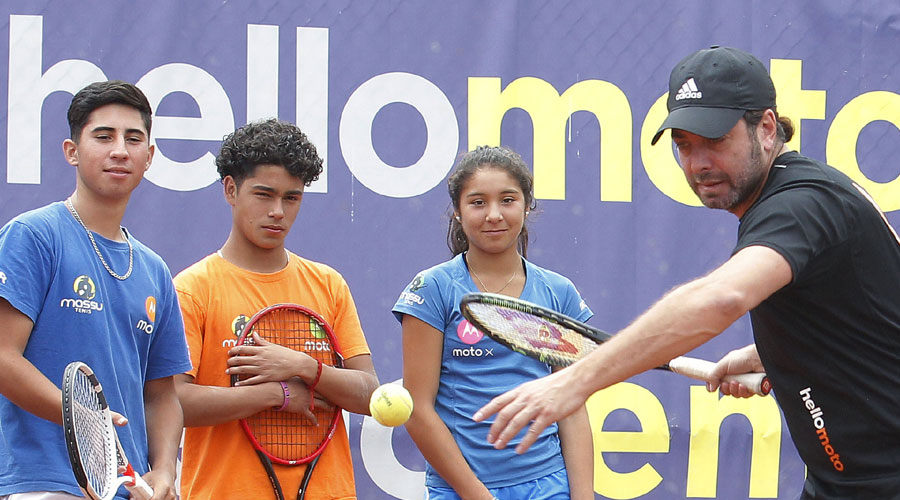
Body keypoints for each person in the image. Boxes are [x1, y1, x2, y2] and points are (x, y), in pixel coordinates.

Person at [474, 46, 900, 499]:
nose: (698, 163)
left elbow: (721, 298)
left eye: (715, 141)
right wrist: (778, 353)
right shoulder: (801, 195)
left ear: (766, 128)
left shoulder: (799, 205)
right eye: (684, 145)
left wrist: (573, 383)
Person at [0, 81, 191, 499]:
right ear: (72, 151)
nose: (120, 150)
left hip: (128, 489)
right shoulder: (32, 236)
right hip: (45, 484)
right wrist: (84, 422)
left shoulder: (155, 270)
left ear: (149, 157)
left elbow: (162, 395)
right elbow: (2, 357)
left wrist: (164, 470)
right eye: (104, 136)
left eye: (133, 139)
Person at [173, 118, 379, 500]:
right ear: (231, 189)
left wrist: (304, 367)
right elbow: (174, 403)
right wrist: (277, 394)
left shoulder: (329, 284)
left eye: (291, 198)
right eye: (264, 195)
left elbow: (369, 395)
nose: (278, 212)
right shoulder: (192, 289)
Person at [393, 146, 595, 500]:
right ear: (457, 211)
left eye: (507, 200)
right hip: (460, 491)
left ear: (527, 205)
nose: (494, 215)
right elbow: (418, 410)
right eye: (477, 202)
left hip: (547, 487)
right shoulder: (433, 288)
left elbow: (572, 407)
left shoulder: (558, 292)